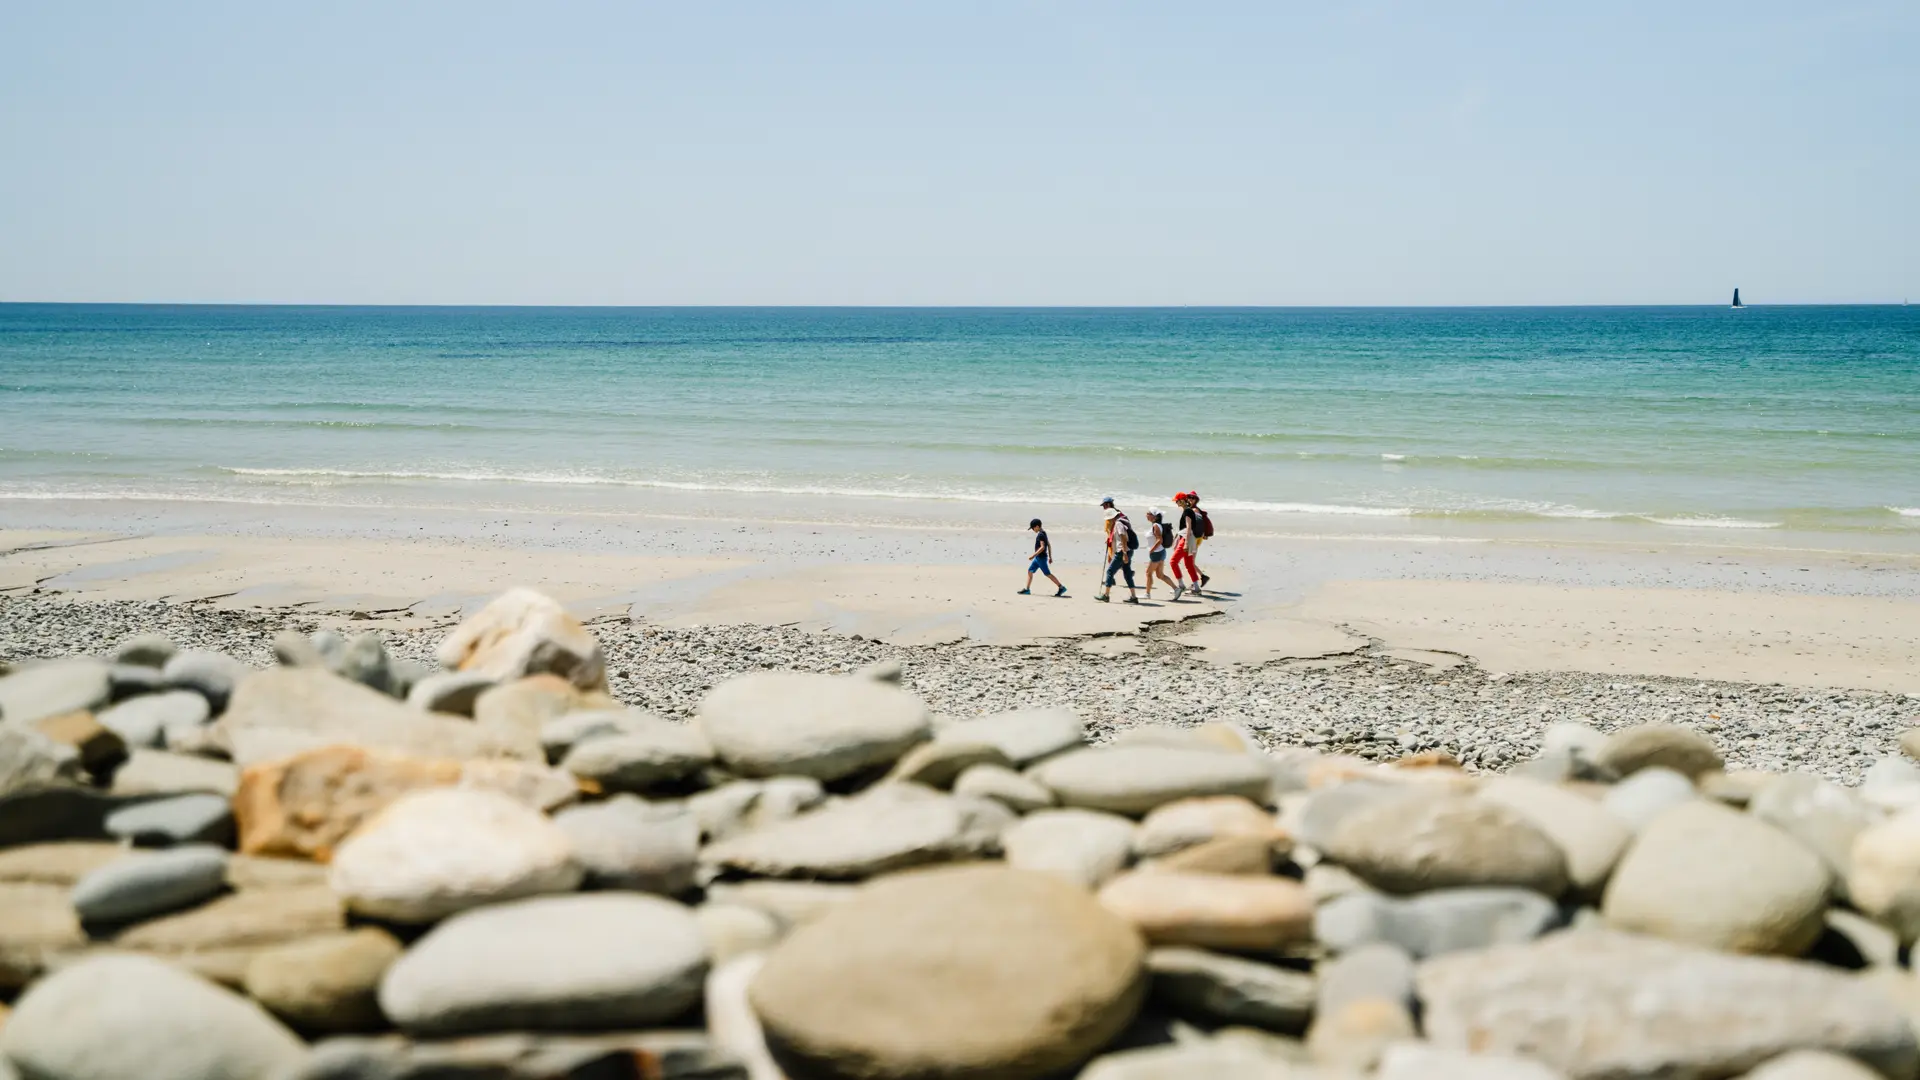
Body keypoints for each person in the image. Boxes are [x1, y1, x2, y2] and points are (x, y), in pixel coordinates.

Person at [1096, 497, 1140, 604]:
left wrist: (1124, 553)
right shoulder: (1123, 519)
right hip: (1128, 550)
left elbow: (1123, 537)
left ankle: (1106, 595)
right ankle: (1134, 597)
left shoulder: (1118, 523)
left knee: (1110, 571)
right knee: (1127, 574)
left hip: (1122, 551)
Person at [1019, 518, 1067, 596]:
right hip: (1038, 558)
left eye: (1033, 528)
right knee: (1030, 571)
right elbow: (1049, 545)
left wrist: (1032, 556)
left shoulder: (1041, 535)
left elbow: (1042, 547)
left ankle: (1061, 587)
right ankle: (1027, 590)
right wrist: (1050, 557)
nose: (1033, 530)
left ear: (1037, 526)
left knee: (1047, 574)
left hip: (1041, 558)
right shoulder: (1043, 533)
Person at [1170, 491, 1204, 598]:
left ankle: (1181, 585)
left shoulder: (1188, 512)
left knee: (1173, 562)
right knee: (1189, 565)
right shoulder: (1188, 510)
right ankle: (1197, 588)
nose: (1176, 503)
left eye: (1177, 501)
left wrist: (1186, 543)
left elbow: (1189, 527)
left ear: (1182, 501)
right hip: (1189, 539)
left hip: (1186, 539)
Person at [1141, 507, 1177, 599]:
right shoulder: (1156, 525)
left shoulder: (1156, 526)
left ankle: (1147, 594)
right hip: (1161, 552)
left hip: (1157, 553)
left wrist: (1152, 550)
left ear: (1155, 517)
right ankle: (1176, 589)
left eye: (1148, 513)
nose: (1146, 515)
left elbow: (1159, 540)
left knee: (1148, 573)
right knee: (1160, 575)